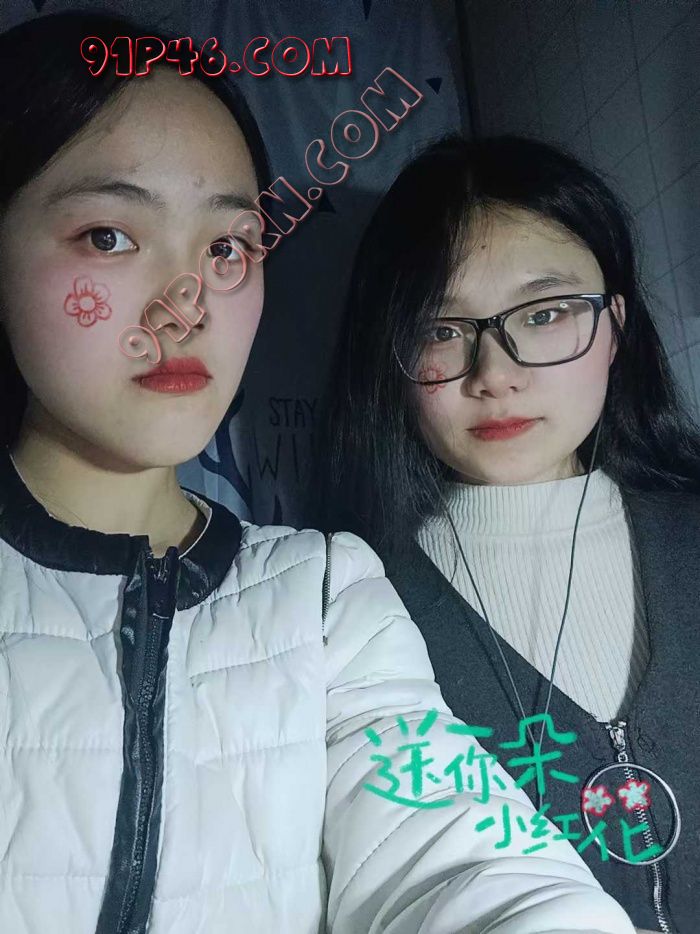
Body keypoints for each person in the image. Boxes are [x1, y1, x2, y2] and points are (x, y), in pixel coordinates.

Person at [0, 13, 636, 934]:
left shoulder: (325, 597)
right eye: (108, 236)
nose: (187, 307)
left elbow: (462, 855)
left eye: (228, 248)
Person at [315, 135, 700, 934]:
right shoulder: (348, 612)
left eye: (546, 313)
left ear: (616, 327)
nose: (494, 373)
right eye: (439, 329)